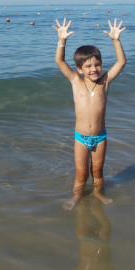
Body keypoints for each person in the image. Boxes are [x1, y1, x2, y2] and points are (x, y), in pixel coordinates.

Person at [54, 17, 126, 210]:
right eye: (88, 66)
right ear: (79, 69)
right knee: (81, 175)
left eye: (97, 64)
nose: (94, 69)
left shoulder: (105, 82)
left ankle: (98, 194)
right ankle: (76, 197)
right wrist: (62, 40)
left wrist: (116, 40)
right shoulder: (75, 81)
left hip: (100, 137)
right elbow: (59, 61)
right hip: (81, 138)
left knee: (98, 172)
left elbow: (121, 62)